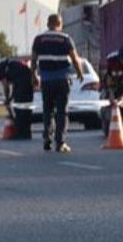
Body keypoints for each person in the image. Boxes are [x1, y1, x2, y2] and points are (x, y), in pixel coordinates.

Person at [31, 14, 84, 153]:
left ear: (48, 24)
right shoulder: (65, 39)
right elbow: (75, 59)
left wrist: (34, 76)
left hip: (46, 80)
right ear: (60, 24)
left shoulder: (39, 39)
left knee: (48, 110)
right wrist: (80, 73)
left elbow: (33, 60)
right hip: (62, 80)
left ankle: (47, 139)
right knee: (62, 112)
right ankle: (60, 142)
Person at [0, 57, 34, 140]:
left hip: (21, 82)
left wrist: (7, 99)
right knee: (27, 108)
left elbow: (6, 86)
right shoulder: (5, 64)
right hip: (28, 80)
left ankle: (21, 134)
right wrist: (11, 97)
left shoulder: (0, 69)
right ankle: (27, 133)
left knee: (19, 109)